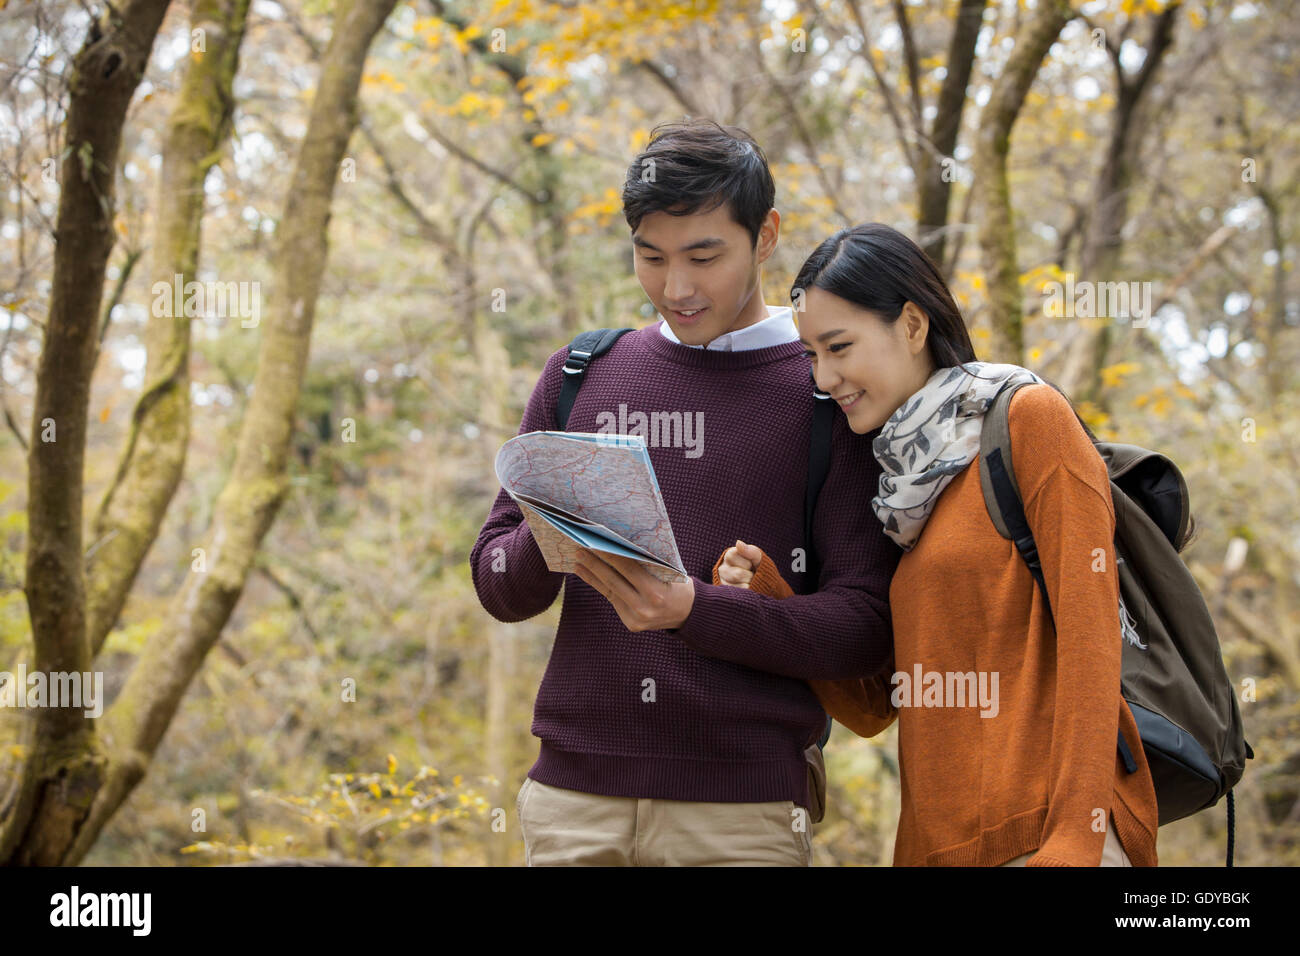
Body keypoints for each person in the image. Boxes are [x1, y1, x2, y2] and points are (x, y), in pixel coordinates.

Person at [469, 120, 900, 866]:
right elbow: (497, 584)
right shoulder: (580, 375)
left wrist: (699, 611)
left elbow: (865, 627)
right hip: (572, 801)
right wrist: (557, 536)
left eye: (704, 256)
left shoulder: (827, 392)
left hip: (743, 814)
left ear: (765, 237)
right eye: (651, 256)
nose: (677, 288)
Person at [715, 223, 1160, 866]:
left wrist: (1076, 833)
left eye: (839, 346)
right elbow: (874, 708)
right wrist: (772, 595)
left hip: (1045, 835)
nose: (823, 376)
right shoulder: (899, 493)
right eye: (811, 354)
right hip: (936, 847)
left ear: (914, 326)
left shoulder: (1027, 420)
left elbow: (1094, 641)